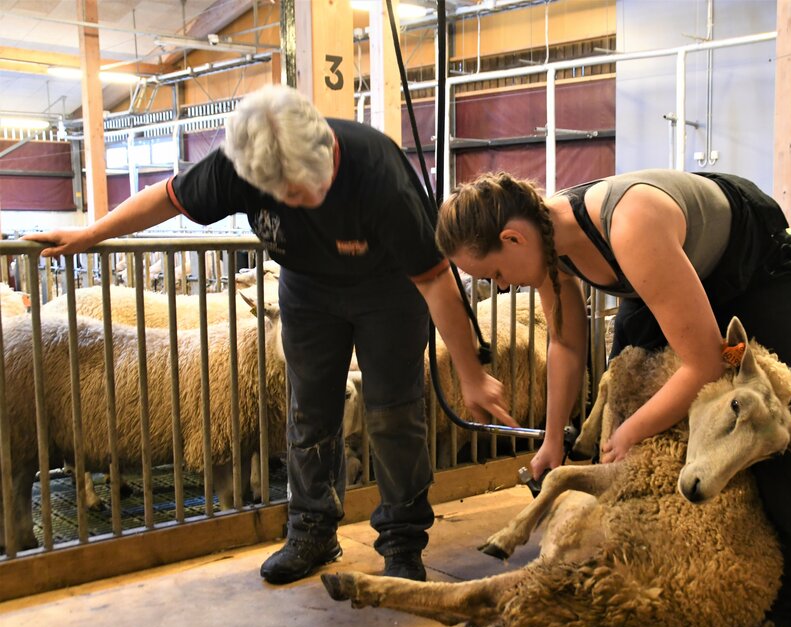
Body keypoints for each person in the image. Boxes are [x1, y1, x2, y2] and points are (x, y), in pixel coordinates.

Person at [23, 84, 515, 585]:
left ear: (325, 146)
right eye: (287, 196)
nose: (304, 200)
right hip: (306, 289)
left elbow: (435, 280)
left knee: (394, 415)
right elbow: (168, 198)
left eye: (308, 185)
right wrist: (91, 233)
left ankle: (402, 544)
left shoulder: (377, 172)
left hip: (389, 291)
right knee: (309, 412)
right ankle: (312, 531)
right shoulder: (237, 164)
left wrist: (471, 375)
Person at [434, 169, 791, 627]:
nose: (501, 287)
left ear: (512, 238)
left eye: (492, 274)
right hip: (664, 275)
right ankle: (666, 573)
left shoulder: (630, 226)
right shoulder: (548, 242)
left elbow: (704, 363)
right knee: (627, 388)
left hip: (754, 266)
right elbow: (565, 345)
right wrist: (555, 438)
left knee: (763, 422)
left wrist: (631, 433)